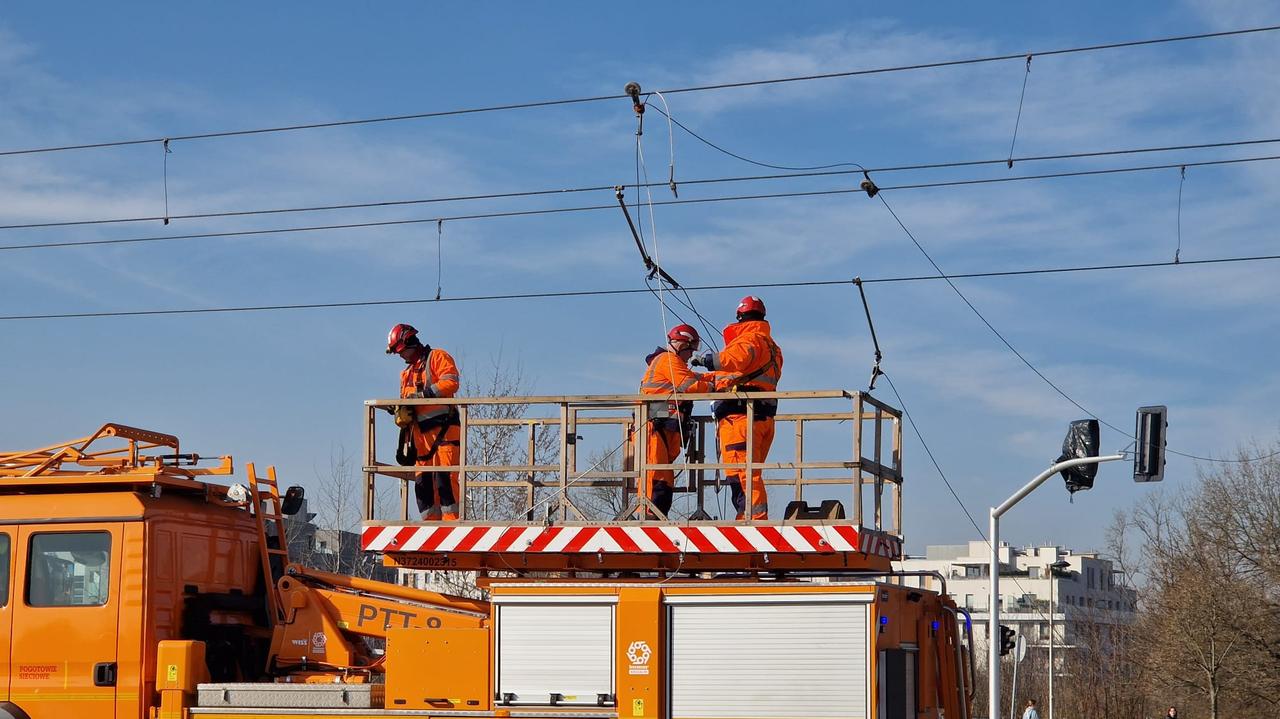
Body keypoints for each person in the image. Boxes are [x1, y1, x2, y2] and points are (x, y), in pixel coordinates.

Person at [692, 296, 783, 520]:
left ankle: (753, 519)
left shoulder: (749, 339)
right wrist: (704, 378)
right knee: (746, 471)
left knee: (742, 473)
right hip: (761, 418)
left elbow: (731, 360)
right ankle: (747, 514)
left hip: (741, 419)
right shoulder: (772, 347)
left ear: (740, 317)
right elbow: (737, 374)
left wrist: (706, 361)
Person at [638, 324, 716, 519]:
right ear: (682, 345)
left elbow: (695, 377)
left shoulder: (673, 364)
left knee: (662, 477)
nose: (691, 357)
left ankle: (655, 514)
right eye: (690, 351)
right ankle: (648, 514)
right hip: (653, 426)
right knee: (656, 476)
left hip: (662, 427)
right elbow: (689, 385)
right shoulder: (667, 360)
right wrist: (714, 388)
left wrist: (721, 378)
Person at [387, 323, 462, 521]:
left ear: (411, 342)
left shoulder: (437, 358)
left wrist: (424, 395)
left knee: (445, 482)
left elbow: (451, 382)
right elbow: (408, 402)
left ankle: (452, 528)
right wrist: (397, 407)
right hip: (421, 440)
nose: (401, 357)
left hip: (445, 434)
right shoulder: (407, 374)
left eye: (401, 352)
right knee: (423, 486)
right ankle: (430, 529)